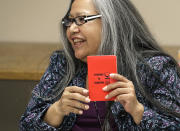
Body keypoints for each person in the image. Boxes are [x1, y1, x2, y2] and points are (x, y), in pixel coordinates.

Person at [19, 0, 180, 130]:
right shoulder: (63, 64)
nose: (72, 28)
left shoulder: (156, 67)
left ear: (111, 21)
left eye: (81, 19)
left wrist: (138, 111)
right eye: (69, 21)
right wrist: (57, 110)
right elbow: (26, 124)